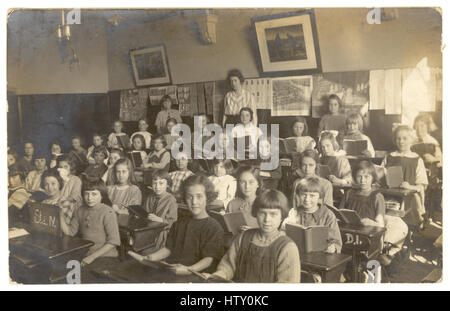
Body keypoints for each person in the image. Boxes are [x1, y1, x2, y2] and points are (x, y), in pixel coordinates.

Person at [206, 189, 300, 283]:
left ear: (282, 217)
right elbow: (227, 266)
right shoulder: (243, 237)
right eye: (262, 213)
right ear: (256, 213)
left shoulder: (287, 247)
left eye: (273, 214)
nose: (267, 219)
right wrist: (217, 276)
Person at [143, 175, 224, 275]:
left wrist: (189, 269)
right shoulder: (179, 223)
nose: (194, 202)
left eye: (199, 196)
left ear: (208, 198)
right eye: (190, 197)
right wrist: (151, 257)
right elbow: (168, 248)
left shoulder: (214, 227)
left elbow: (209, 259)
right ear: (185, 198)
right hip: (173, 270)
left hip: (196, 275)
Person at [339, 160, 408, 265]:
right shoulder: (349, 193)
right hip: (348, 235)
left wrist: (370, 222)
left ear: (373, 178)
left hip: (368, 237)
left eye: (366, 177)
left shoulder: (377, 197)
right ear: (354, 177)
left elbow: (380, 226)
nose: (363, 180)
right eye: (359, 176)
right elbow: (340, 214)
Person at [60, 178, 120, 267]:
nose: (90, 198)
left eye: (94, 194)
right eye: (86, 194)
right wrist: (60, 214)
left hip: (105, 256)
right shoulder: (80, 210)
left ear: (102, 195)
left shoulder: (108, 212)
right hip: (86, 255)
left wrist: (92, 257)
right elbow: (70, 232)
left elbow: (114, 241)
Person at [381, 125, 428, 227]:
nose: (401, 141)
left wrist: (410, 187)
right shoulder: (389, 157)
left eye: (405, 138)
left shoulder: (416, 159)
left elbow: (421, 186)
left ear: (412, 140)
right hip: (389, 194)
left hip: (408, 197)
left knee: (411, 203)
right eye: (398, 138)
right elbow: (380, 174)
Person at [283, 177, 342, 253]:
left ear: (320, 197)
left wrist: (333, 247)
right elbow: (283, 232)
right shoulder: (294, 212)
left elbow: (337, 242)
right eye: (303, 195)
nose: (307, 199)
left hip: (320, 256)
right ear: (298, 195)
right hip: (297, 253)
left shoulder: (328, 215)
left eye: (312, 195)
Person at [142, 171, 178, 252]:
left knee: (148, 252)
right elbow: (144, 213)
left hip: (162, 233)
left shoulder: (171, 200)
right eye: (155, 183)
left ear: (167, 185)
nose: (157, 186)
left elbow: (173, 222)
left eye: (161, 183)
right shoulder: (150, 197)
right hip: (148, 230)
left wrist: (161, 220)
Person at [57, 155, 83, 223]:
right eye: (60, 167)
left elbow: (74, 197)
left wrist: (61, 200)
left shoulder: (76, 179)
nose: (63, 169)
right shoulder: (57, 179)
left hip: (72, 204)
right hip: (58, 203)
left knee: (67, 204)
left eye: (65, 167)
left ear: (70, 167)